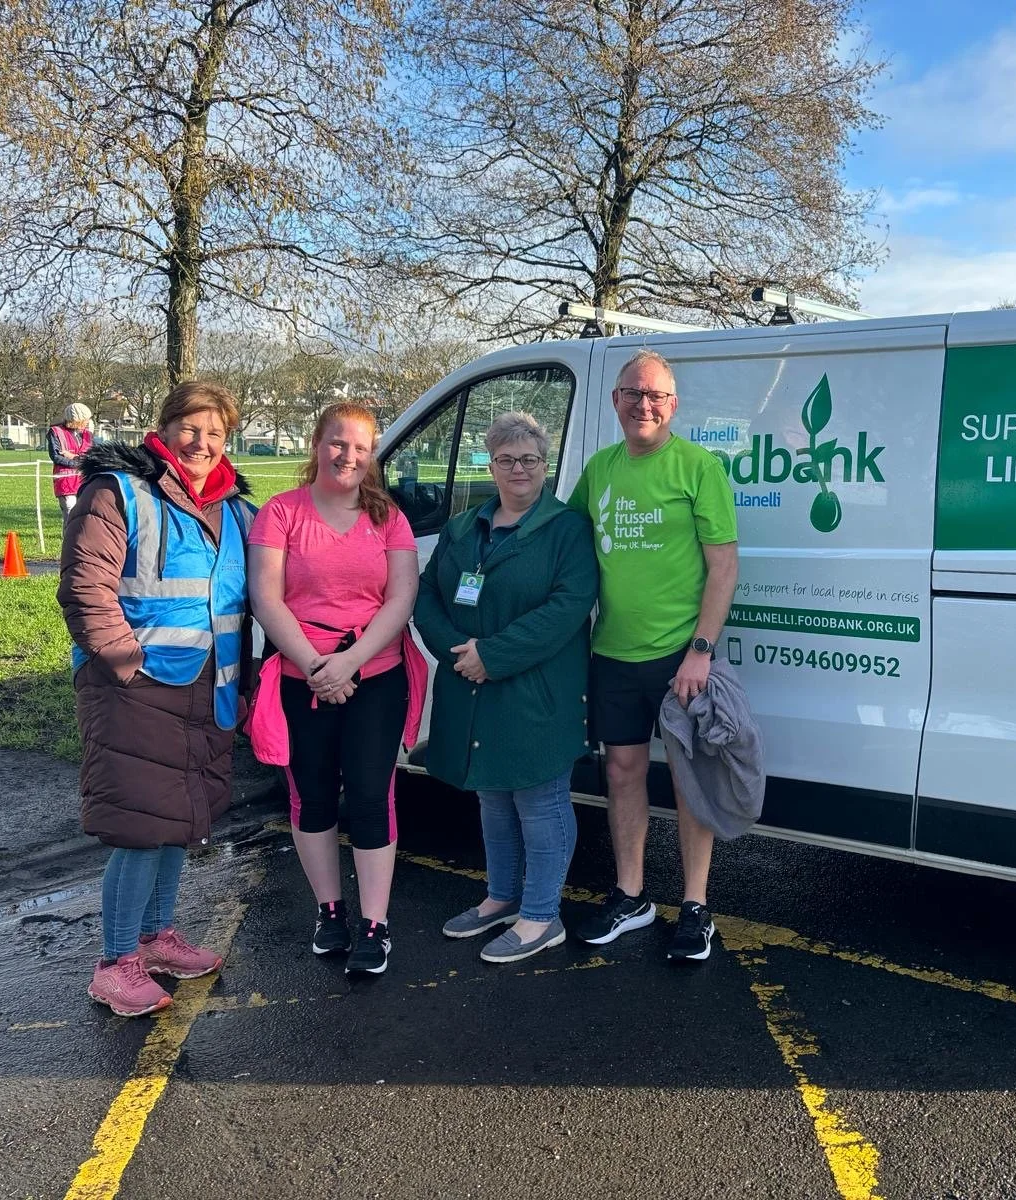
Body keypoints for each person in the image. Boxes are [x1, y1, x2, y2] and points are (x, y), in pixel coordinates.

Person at [57, 381, 257, 1017]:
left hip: (208, 687)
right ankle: (116, 961)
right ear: (165, 428)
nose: (201, 444)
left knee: (178, 822)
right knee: (141, 830)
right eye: (190, 429)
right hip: (136, 689)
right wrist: (126, 668)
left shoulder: (236, 511)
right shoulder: (118, 492)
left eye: (215, 434)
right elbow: (87, 588)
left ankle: (155, 938)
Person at [568, 349, 739, 961]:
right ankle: (632, 895)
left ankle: (696, 906)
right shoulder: (600, 468)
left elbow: (724, 566)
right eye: (633, 394)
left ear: (674, 404)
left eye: (658, 396)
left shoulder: (697, 468)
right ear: (615, 401)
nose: (645, 405)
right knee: (622, 773)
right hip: (612, 652)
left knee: (691, 782)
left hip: (680, 658)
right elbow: (568, 544)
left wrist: (701, 651)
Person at [414, 412, 597, 964]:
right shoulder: (464, 527)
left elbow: (567, 607)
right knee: (493, 797)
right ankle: (502, 896)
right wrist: (459, 652)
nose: (519, 469)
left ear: (546, 465)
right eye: (506, 459)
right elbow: (427, 596)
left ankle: (542, 915)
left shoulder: (567, 529)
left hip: (536, 688)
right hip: (473, 685)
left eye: (531, 460)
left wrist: (491, 656)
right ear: (489, 464)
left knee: (540, 801)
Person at [247, 403, 419, 975]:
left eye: (361, 448)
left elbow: (400, 600)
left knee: (371, 795)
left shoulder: (387, 517)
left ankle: (375, 923)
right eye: (338, 444)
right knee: (313, 797)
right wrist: (317, 665)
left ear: (372, 456)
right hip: (303, 675)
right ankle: (330, 911)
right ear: (316, 444)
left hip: (374, 675)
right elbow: (266, 598)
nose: (348, 456)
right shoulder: (280, 513)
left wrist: (350, 663)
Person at [48, 403, 95, 524]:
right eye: (85, 419)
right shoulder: (56, 432)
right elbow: (56, 457)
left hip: (84, 481)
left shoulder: (87, 435)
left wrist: (74, 457)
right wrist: (81, 462)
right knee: (70, 514)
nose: (87, 422)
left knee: (84, 516)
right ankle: (69, 542)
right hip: (66, 481)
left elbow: (91, 457)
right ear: (77, 419)